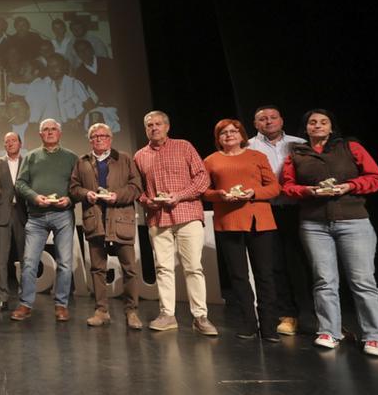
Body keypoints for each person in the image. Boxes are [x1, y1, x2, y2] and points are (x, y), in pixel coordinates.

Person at [282, 109, 378, 356]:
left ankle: (375, 336)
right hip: (314, 225)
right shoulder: (297, 153)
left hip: (353, 221)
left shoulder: (350, 147)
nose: (317, 125)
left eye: (323, 122)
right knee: (324, 280)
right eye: (312, 122)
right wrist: (309, 192)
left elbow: (375, 177)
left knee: (362, 281)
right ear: (305, 128)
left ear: (331, 127)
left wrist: (350, 185)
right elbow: (287, 186)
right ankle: (329, 331)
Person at [133, 110, 217, 335]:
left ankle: (200, 316)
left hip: (187, 213)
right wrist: (146, 200)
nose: (154, 128)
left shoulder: (184, 146)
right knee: (163, 268)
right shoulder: (140, 155)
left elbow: (202, 178)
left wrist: (179, 195)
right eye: (149, 125)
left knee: (193, 267)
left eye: (158, 124)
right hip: (158, 218)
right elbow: (137, 188)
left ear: (167, 127)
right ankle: (167, 315)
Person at [203, 119, 281, 341]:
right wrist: (220, 195)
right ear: (218, 138)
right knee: (238, 276)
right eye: (223, 133)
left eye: (233, 131)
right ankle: (248, 323)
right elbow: (204, 191)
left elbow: (274, 187)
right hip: (228, 221)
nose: (229, 135)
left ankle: (269, 326)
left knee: (265, 274)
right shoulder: (210, 160)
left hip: (259, 220)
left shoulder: (257, 156)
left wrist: (253, 193)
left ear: (242, 135)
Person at [68, 123, 143, 329]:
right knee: (97, 269)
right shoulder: (82, 162)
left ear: (110, 138)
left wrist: (117, 196)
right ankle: (101, 310)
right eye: (94, 136)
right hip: (95, 220)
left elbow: (136, 187)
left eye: (103, 135)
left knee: (129, 269)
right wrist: (86, 194)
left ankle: (132, 311)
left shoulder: (124, 158)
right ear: (90, 140)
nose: (99, 139)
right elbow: (73, 188)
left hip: (120, 219)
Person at [247, 105, 309, 336]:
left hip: (300, 210)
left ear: (281, 120)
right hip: (267, 210)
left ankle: (317, 315)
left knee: (305, 263)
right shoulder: (248, 147)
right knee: (275, 265)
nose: (268, 122)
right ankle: (287, 314)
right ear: (255, 124)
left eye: (273, 117)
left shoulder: (299, 144)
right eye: (262, 119)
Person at [11, 119, 78, 322]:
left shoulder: (71, 158)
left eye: (53, 129)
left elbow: (80, 185)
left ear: (60, 133)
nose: (49, 133)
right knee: (30, 262)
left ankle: (61, 305)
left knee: (65, 263)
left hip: (63, 215)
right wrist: (34, 197)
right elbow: (20, 184)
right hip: (37, 217)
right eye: (45, 130)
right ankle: (25, 304)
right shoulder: (31, 157)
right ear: (40, 135)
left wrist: (70, 198)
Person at [0, 132, 27, 312]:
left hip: (23, 215)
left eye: (13, 140)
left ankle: (25, 297)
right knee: (0, 260)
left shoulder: (28, 162)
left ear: (20, 143)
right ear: (4, 145)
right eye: (7, 142)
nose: (10, 143)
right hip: (2, 215)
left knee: (25, 258)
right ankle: (3, 298)